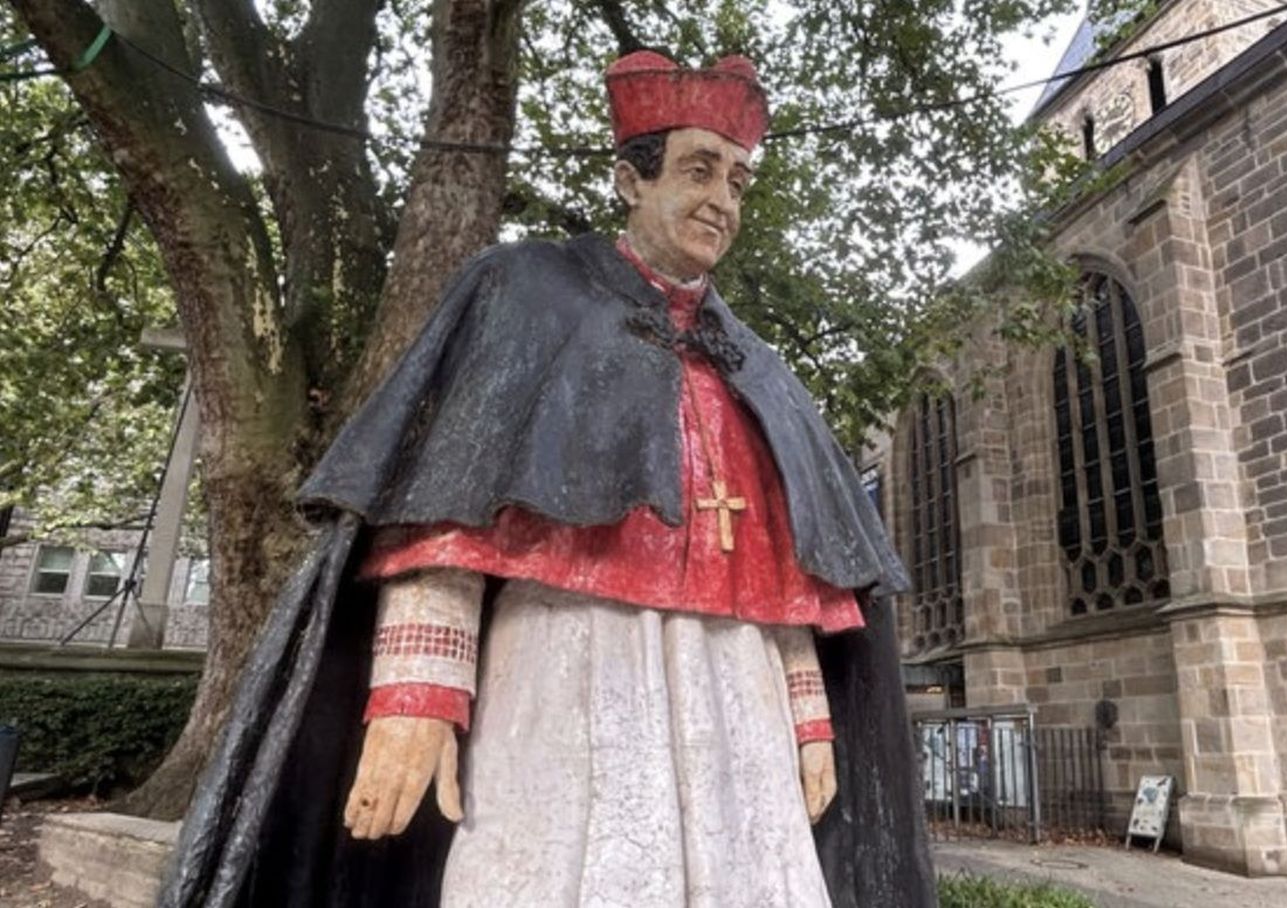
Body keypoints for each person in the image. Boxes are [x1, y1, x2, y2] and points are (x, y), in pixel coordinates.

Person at [160, 51, 935, 908]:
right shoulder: (523, 289)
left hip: (737, 691)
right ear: (629, 181)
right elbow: (446, 493)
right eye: (700, 169)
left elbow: (793, 556)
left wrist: (807, 707)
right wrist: (418, 689)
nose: (723, 199)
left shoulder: (753, 361)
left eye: (740, 180)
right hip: (568, 656)